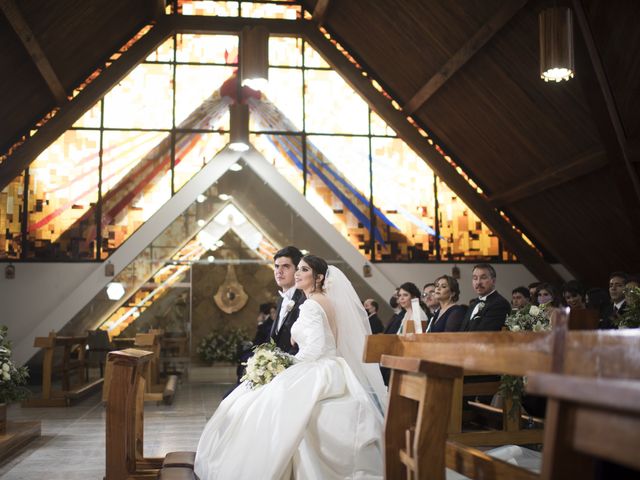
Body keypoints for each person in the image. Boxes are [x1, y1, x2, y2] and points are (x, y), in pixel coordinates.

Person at [194, 255, 386, 479]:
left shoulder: (313, 305)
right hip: (330, 364)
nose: (297, 273)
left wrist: (283, 364)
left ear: (319, 277)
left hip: (316, 365)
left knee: (262, 399)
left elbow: (314, 350)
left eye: (304, 270)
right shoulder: (323, 301)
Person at [270, 246, 305, 354]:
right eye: (276, 266)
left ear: (297, 270)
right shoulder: (281, 299)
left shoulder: (305, 300)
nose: (279, 271)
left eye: (285, 266)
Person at [459, 264, 511, 331]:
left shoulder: (500, 304)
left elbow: (484, 334)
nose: (478, 282)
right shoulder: (474, 303)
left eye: (483, 278)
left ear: (493, 281)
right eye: (475, 278)